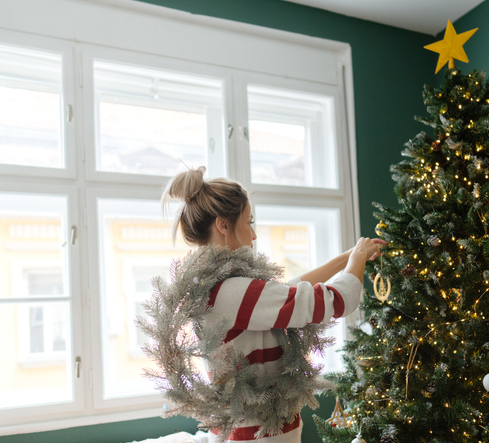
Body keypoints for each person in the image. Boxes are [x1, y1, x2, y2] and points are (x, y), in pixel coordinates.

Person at [154, 167, 386, 443]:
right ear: (223, 225)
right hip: (262, 436)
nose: (253, 236)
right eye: (248, 222)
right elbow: (336, 301)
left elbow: (283, 292)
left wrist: (345, 259)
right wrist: (357, 261)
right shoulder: (232, 291)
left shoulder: (215, 286)